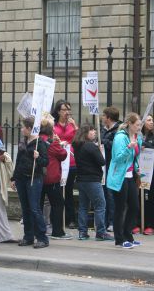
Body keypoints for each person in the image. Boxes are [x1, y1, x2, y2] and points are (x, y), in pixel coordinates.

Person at [11, 116, 49, 249]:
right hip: (22, 178)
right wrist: (14, 178)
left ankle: (42, 237)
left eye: (23, 127)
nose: (21, 129)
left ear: (29, 128)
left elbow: (45, 162)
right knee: (25, 208)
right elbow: (18, 160)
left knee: (34, 208)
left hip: (34, 178)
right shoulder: (23, 142)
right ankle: (28, 236)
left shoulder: (40, 143)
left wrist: (38, 158)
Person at [107, 112, 143, 249]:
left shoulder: (137, 137)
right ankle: (119, 239)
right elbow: (117, 158)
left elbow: (135, 157)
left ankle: (128, 235)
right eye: (137, 125)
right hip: (119, 177)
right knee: (120, 208)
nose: (140, 127)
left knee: (134, 206)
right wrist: (129, 148)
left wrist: (137, 168)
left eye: (140, 125)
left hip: (130, 176)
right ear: (130, 124)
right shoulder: (120, 138)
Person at [73, 123, 113, 241]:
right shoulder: (90, 146)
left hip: (81, 179)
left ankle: (82, 232)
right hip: (92, 180)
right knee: (100, 205)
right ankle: (101, 232)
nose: (95, 132)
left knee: (83, 206)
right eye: (92, 131)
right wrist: (99, 151)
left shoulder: (78, 146)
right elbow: (102, 162)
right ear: (86, 133)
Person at [39, 118, 71, 240]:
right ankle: (57, 231)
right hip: (51, 178)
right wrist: (58, 143)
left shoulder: (37, 140)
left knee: (38, 205)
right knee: (58, 204)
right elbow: (63, 155)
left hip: (39, 178)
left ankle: (38, 230)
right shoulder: (52, 143)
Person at [52, 99, 78, 229]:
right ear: (58, 111)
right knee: (57, 191)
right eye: (64, 110)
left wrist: (76, 127)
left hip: (71, 161)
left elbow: (78, 140)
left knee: (68, 191)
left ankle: (71, 219)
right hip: (57, 161)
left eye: (68, 109)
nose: (67, 112)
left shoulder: (72, 125)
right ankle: (58, 218)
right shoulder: (53, 125)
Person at [140, 114, 154, 235]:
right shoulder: (139, 134)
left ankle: (152, 224)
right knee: (140, 196)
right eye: (148, 120)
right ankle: (139, 222)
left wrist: (146, 145)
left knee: (152, 196)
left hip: (153, 170)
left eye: (152, 120)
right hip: (140, 170)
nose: (151, 122)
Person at [101, 106, 122, 232]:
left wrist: (102, 141)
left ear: (108, 118)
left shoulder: (118, 130)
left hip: (113, 166)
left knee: (111, 195)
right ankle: (104, 220)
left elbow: (115, 145)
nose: (102, 118)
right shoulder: (104, 129)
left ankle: (113, 222)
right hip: (103, 165)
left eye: (104, 116)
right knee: (104, 194)